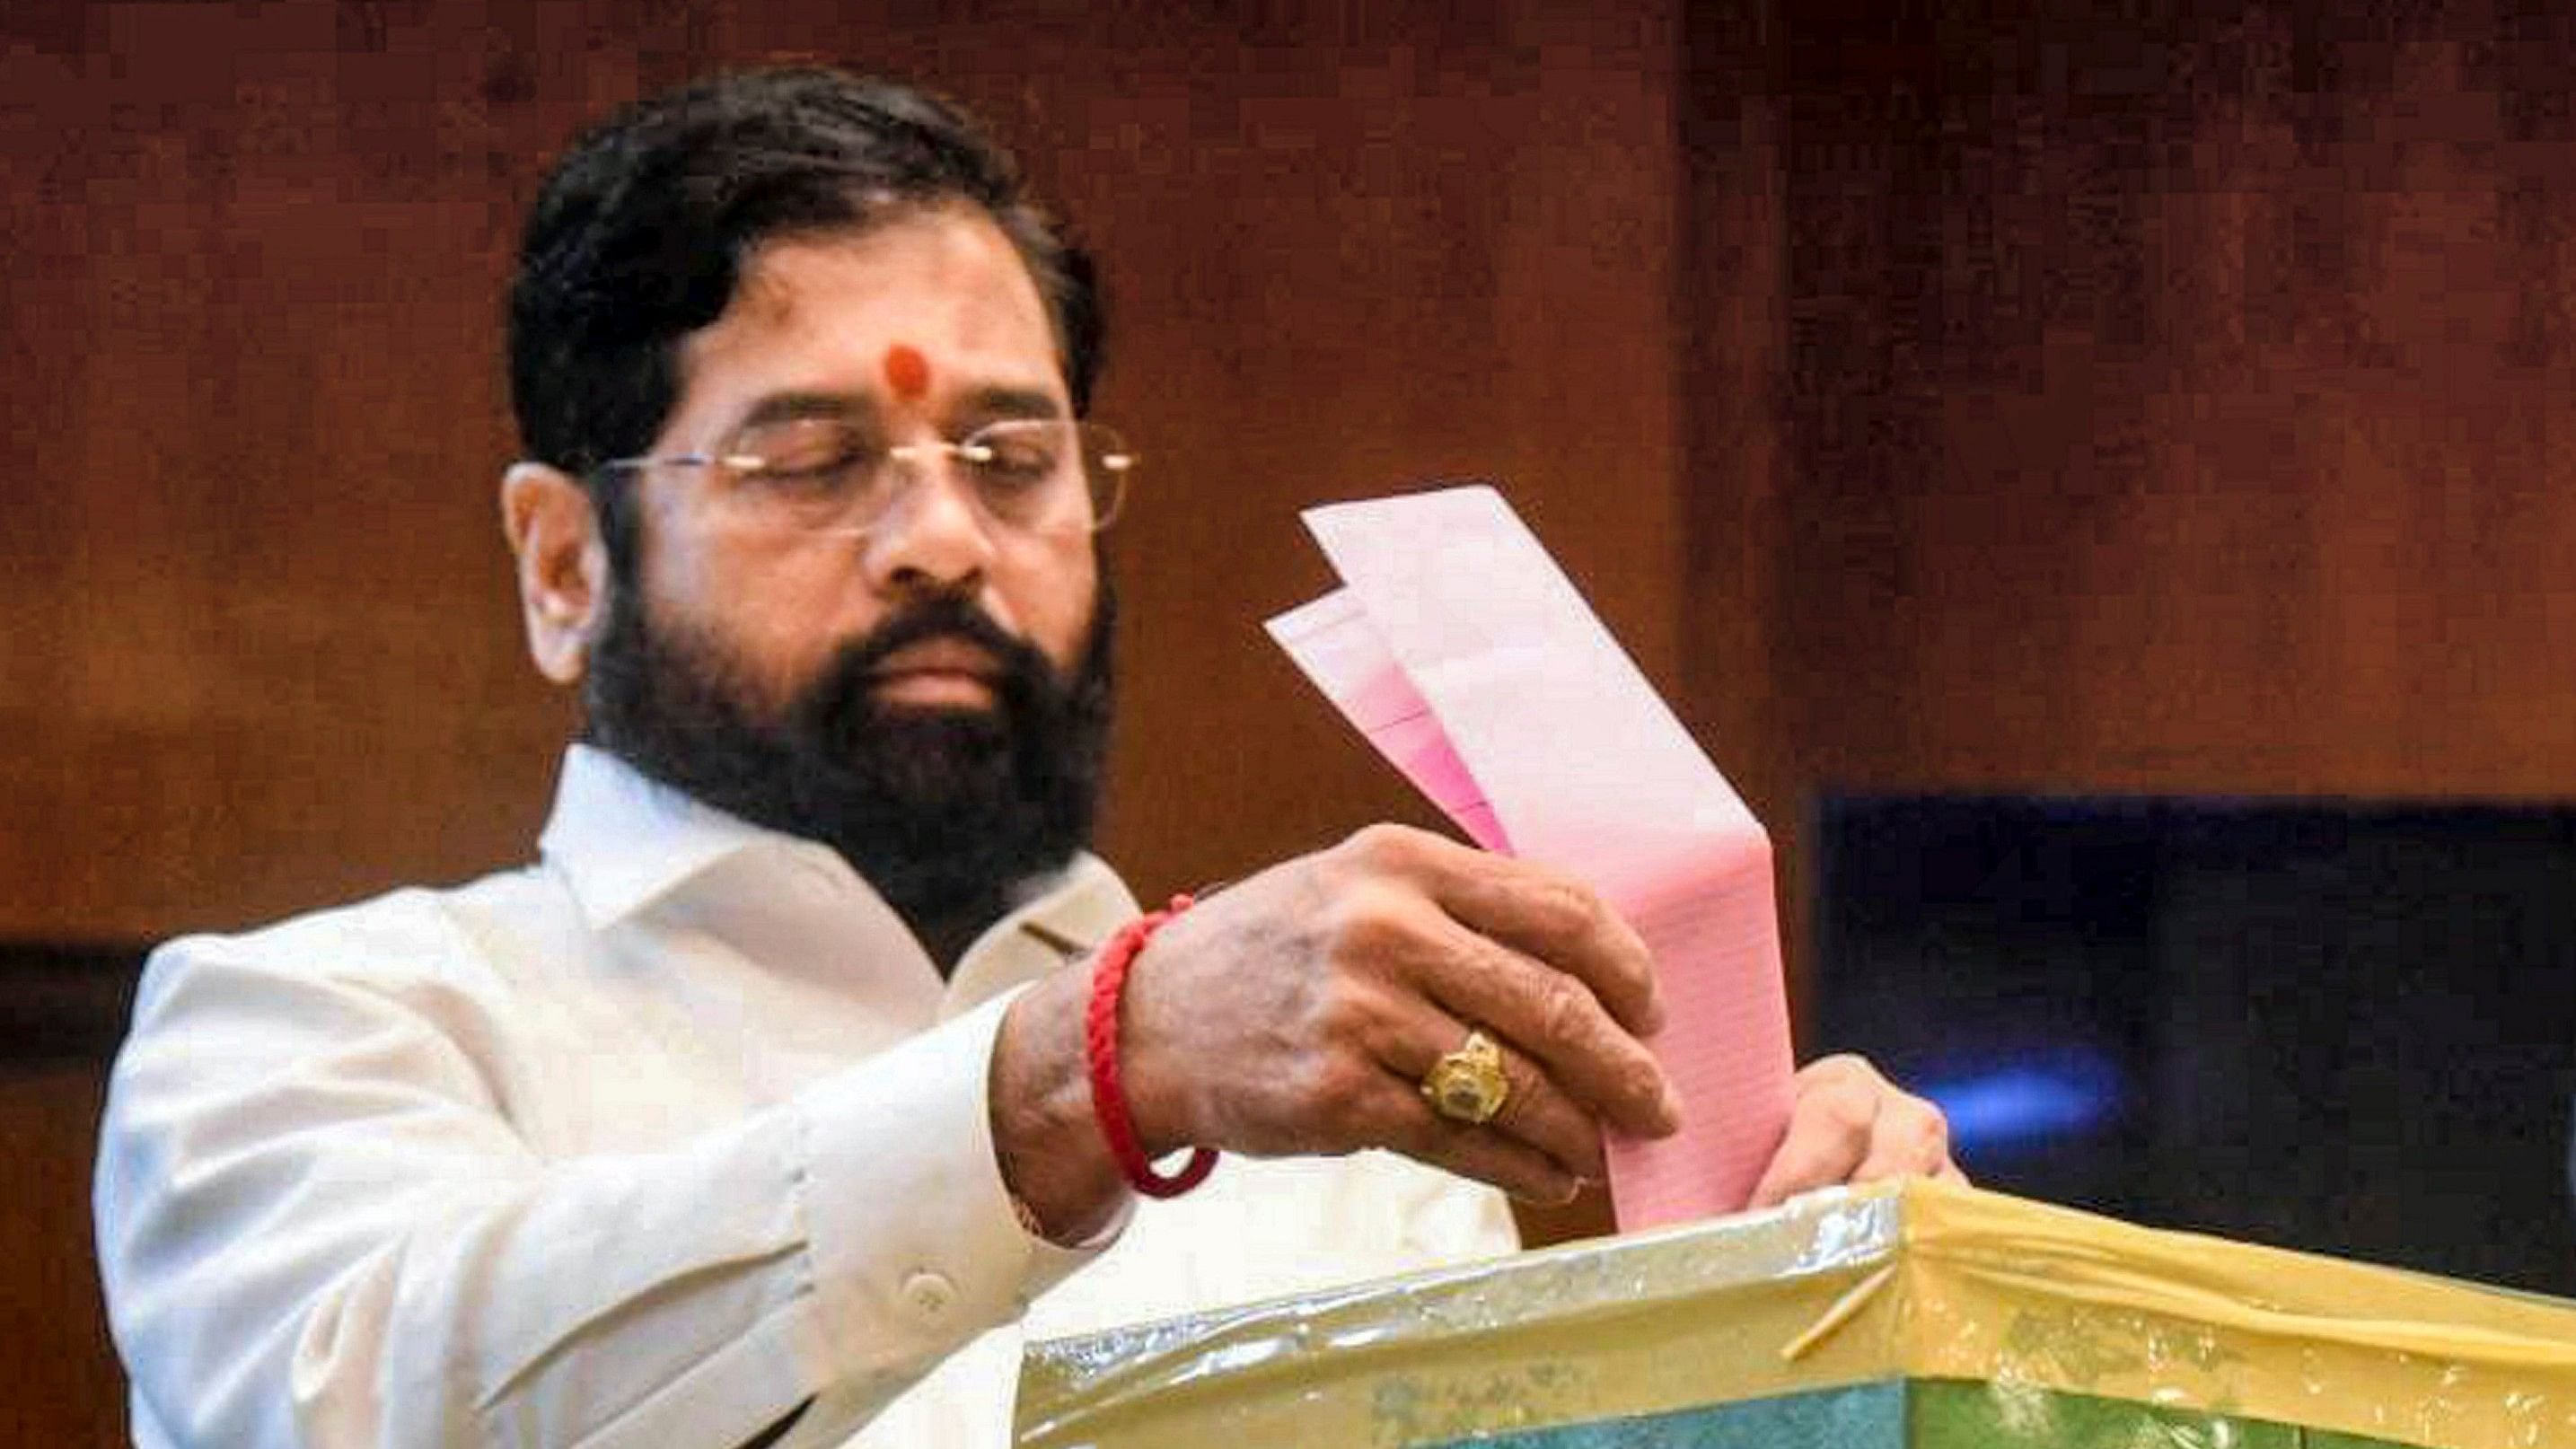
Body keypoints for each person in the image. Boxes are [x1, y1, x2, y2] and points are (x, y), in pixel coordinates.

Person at [93, 67, 1958, 1448]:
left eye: (1011, 458)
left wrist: (1809, 1322)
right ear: (567, 564)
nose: (939, 542)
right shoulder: (307, 1032)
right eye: (811, 460)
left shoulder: (1352, 1137)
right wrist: (1088, 1081)